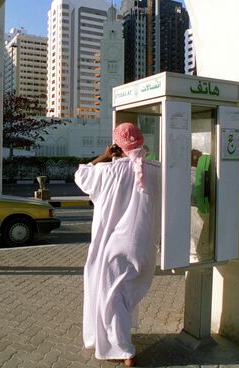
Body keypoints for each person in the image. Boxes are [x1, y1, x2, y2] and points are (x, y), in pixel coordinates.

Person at [75, 122, 161, 366]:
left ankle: (124, 350)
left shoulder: (107, 171)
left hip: (115, 248)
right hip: (145, 247)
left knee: (112, 297)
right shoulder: (155, 169)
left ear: (117, 145)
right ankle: (119, 338)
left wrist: (104, 155)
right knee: (125, 295)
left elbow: (80, 174)